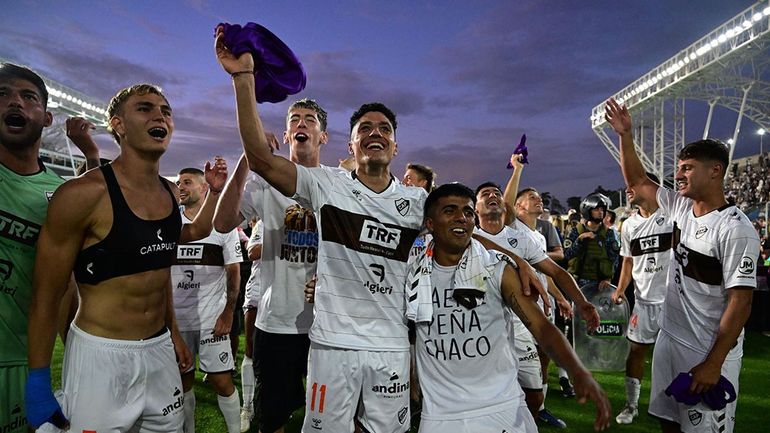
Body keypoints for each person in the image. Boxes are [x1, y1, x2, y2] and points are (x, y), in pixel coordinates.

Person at [25, 83, 228, 432]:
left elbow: (178, 246)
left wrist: (174, 335)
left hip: (159, 350)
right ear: (118, 125)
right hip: (102, 355)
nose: (160, 116)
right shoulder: (82, 194)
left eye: (166, 111)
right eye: (145, 108)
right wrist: (38, 378)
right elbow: (47, 293)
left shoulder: (168, 191)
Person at [605, 98, 759, 433]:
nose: (679, 175)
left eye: (687, 167)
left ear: (715, 170)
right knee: (668, 421)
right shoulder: (680, 208)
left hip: (705, 350)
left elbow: (741, 301)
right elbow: (638, 181)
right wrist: (625, 135)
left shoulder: (736, 229)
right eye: (679, 167)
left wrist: (713, 363)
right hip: (670, 338)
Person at [408, 183, 611, 432]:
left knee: (535, 390)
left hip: (502, 409)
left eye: (467, 212)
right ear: (429, 223)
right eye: (449, 210)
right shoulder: (411, 268)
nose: (461, 217)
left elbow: (542, 327)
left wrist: (577, 369)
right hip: (440, 415)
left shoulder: (497, 268)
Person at [214, 97, 328, 433]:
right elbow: (223, 223)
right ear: (287, 133)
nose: (302, 124)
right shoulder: (264, 181)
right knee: (272, 416)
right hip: (278, 320)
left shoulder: (338, 183)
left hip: (329, 321)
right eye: (295, 119)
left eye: (310, 119)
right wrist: (246, 161)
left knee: (333, 414)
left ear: (323, 136)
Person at [0, 63, 98, 433]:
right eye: (2, 95)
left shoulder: (58, 195)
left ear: (47, 118)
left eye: (28, 97)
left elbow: (63, 286)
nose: (14, 103)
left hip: (22, 360)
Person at [172, 167, 243, 433]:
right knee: (183, 381)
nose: (181, 186)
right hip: (177, 321)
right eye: (178, 182)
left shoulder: (222, 224)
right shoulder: (169, 223)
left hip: (211, 319)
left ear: (204, 188)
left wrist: (227, 313)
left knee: (221, 381)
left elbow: (234, 271)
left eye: (187, 182)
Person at [610, 172, 673, 425]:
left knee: (674, 355)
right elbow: (628, 260)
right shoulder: (629, 225)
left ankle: (675, 402)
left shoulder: (672, 215)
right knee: (635, 352)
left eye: (633, 185)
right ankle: (631, 405)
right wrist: (620, 289)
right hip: (644, 301)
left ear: (650, 188)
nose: (628, 190)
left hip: (673, 301)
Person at [563, 193, 620, 289]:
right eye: (596, 209)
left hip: (600, 285)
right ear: (588, 211)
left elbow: (614, 258)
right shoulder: (576, 231)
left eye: (602, 209)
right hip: (577, 283)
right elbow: (566, 255)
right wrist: (579, 241)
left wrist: (608, 278)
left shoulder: (609, 233)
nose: (600, 212)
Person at [240, 217, 262, 432]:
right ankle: (247, 406)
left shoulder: (306, 223)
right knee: (250, 350)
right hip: (258, 294)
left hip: (291, 297)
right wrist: (283, 241)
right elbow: (252, 251)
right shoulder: (264, 222)